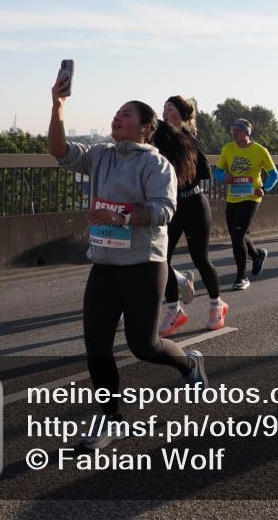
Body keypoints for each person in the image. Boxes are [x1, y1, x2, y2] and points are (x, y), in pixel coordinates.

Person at [49, 81, 206, 450]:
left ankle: (188, 364)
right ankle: (111, 418)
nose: (117, 118)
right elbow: (59, 150)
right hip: (104, 265)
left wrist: (119, 217)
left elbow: (163, 211)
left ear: (145, 127)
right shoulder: (100, 155)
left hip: (143, 265)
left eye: (126, 114)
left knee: (144, 345)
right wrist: (57, 106)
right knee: (97, 347)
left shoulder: (155, 164)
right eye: (116, 113)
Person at [155, 96, 227, 335]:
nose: (165, 111)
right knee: (161, 259)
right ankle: (174, 310)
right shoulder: (159, 136)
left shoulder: (189, 139)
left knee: (200, 259)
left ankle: (217, 305)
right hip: (173, 206)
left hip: (195, 204)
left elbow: (205, 171)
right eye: (164, 107)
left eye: (171, 107)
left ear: (183, 114)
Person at [214, 119, 278, 291]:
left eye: (237, 130)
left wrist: (265, 189)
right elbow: (218, 172)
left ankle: (241, 277)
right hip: (233, 197)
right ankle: (257, 255)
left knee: (237, 235)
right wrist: (223, 178)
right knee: (238, 234)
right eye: (232, 130)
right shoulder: (228, 149)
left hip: (252, 197)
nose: (233, 133)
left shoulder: (260, 150)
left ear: (246, 132)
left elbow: (274, 175)